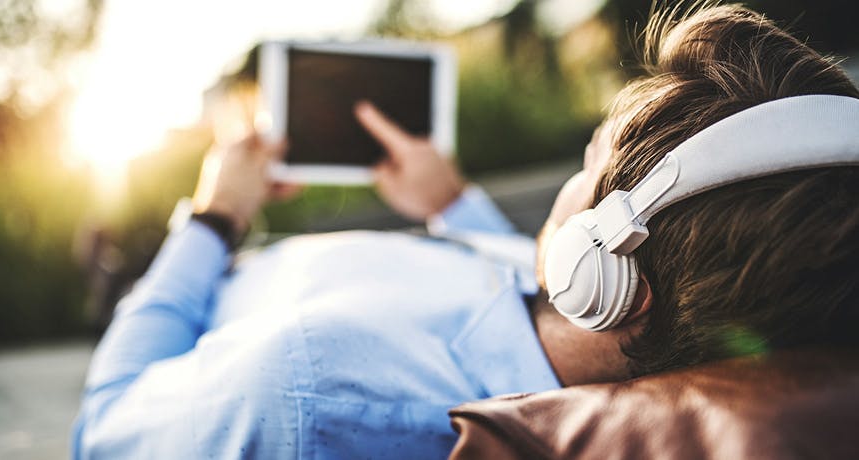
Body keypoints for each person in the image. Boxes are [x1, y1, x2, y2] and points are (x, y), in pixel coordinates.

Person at [72, 3, 859, 458]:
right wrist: (451, 203)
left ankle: (116, 283)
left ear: (606, 277)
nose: (580, 169)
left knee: (123, 283)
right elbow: (531, 285)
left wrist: (214, 218)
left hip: (189, 313)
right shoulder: (596, 309)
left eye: (593, 165)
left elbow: (104, 422)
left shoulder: (308, 393)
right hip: (364, 267)